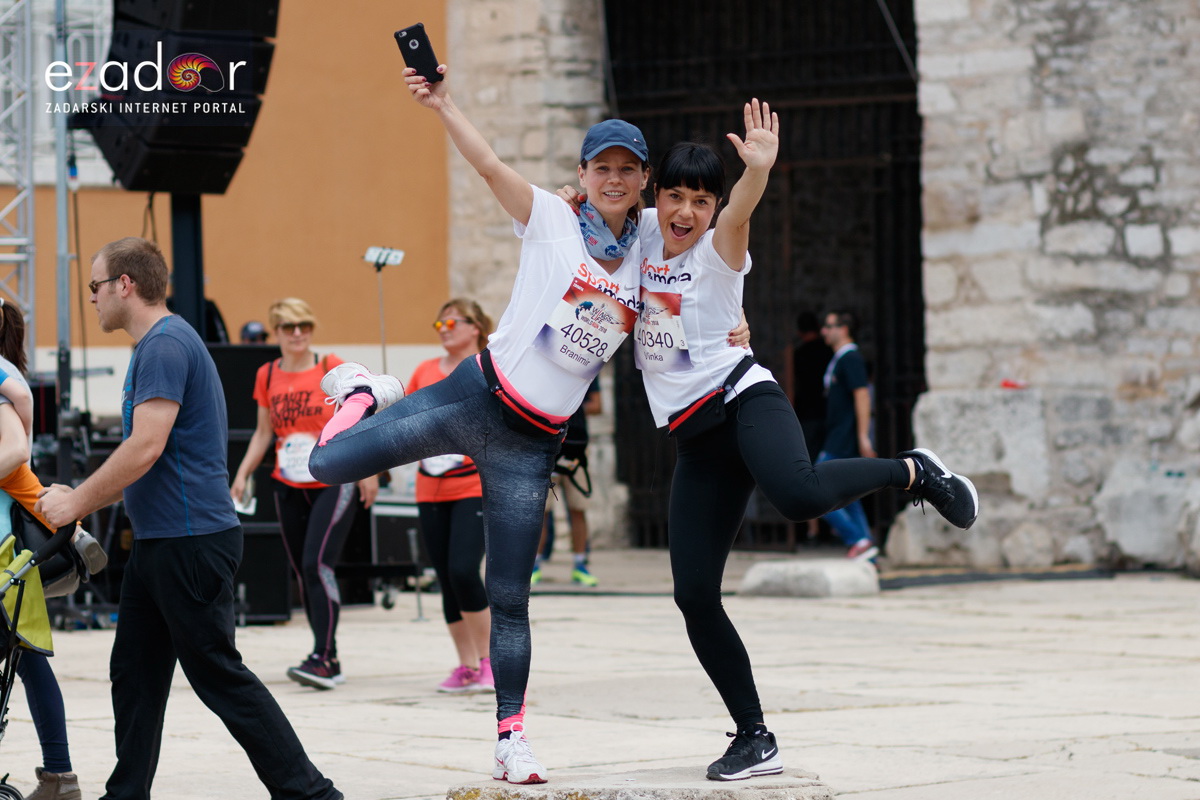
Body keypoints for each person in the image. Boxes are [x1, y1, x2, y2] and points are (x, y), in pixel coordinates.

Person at [621, 101, 979, 781]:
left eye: (701, 200)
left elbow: (740, 211)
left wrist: (757, 170)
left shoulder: (719, 248)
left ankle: (912, 470)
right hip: (695, 439)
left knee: (798, 494)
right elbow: (590, 215)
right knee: (693, 594)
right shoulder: (636, 234)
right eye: (675, 196)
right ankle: (755, 737)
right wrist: (575, 196)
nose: (686, 212)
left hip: (742, 398)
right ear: (655, 194)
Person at [36, 237, 341, 800]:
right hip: (162, 541)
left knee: (218, 675)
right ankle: (126, 795)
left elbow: (145, 447)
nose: (93, 297)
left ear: (125, 284)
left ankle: (313, 795)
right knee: (135, 673)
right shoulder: (160, 344)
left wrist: (75, 502)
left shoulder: (165, 345)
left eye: (96, 286)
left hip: (190, 540)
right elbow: (146, 454)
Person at [230, 298, 378, 689]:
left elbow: (360, 415)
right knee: (303, 569)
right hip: (287, 481)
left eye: (305, 326)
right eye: (289, 327)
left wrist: (368, 469)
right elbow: (263, 432)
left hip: (333, 477)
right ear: (276, 332)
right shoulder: (267, 374)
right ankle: (325, 655)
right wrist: (243, 473)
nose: (298, 334)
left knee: (317, 564)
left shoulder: (331, 365)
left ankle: (325, 658)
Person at [408, 298, 494, 694]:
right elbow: (408, 419)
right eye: (439, 324)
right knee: (444, 576)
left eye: (452, 322)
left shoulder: (487, 367)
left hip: (471, 484)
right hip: (430, 485)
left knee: (463, 570)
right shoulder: (424, 371)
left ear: (475, 327)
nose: (443, 329)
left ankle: (491, 661)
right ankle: (466, 665)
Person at [817, 309, 879, 560]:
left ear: (844, 329)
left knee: (816, 489)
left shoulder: (851, 358)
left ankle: (858, 539)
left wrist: (863, 436)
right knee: (850, 497)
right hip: (838, 434)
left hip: (843, 437)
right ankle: (869, 553)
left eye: (829, 326)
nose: (824, 331)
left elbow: (862, 396)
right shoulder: (841, 358)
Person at [532, 378, 600, 586]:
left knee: (578, 507)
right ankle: (534, 566)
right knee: (541, 511)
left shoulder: (588, 369)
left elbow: (597, 406)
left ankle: (580, 565)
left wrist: (567, 407)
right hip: (547, 447)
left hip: (575, 450)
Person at [789, 311, 832, 462]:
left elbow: (792, 383)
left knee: (808, 458)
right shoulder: (829, 350)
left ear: (799, 331)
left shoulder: (798, 354)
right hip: (827, 409)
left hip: (806, 411)